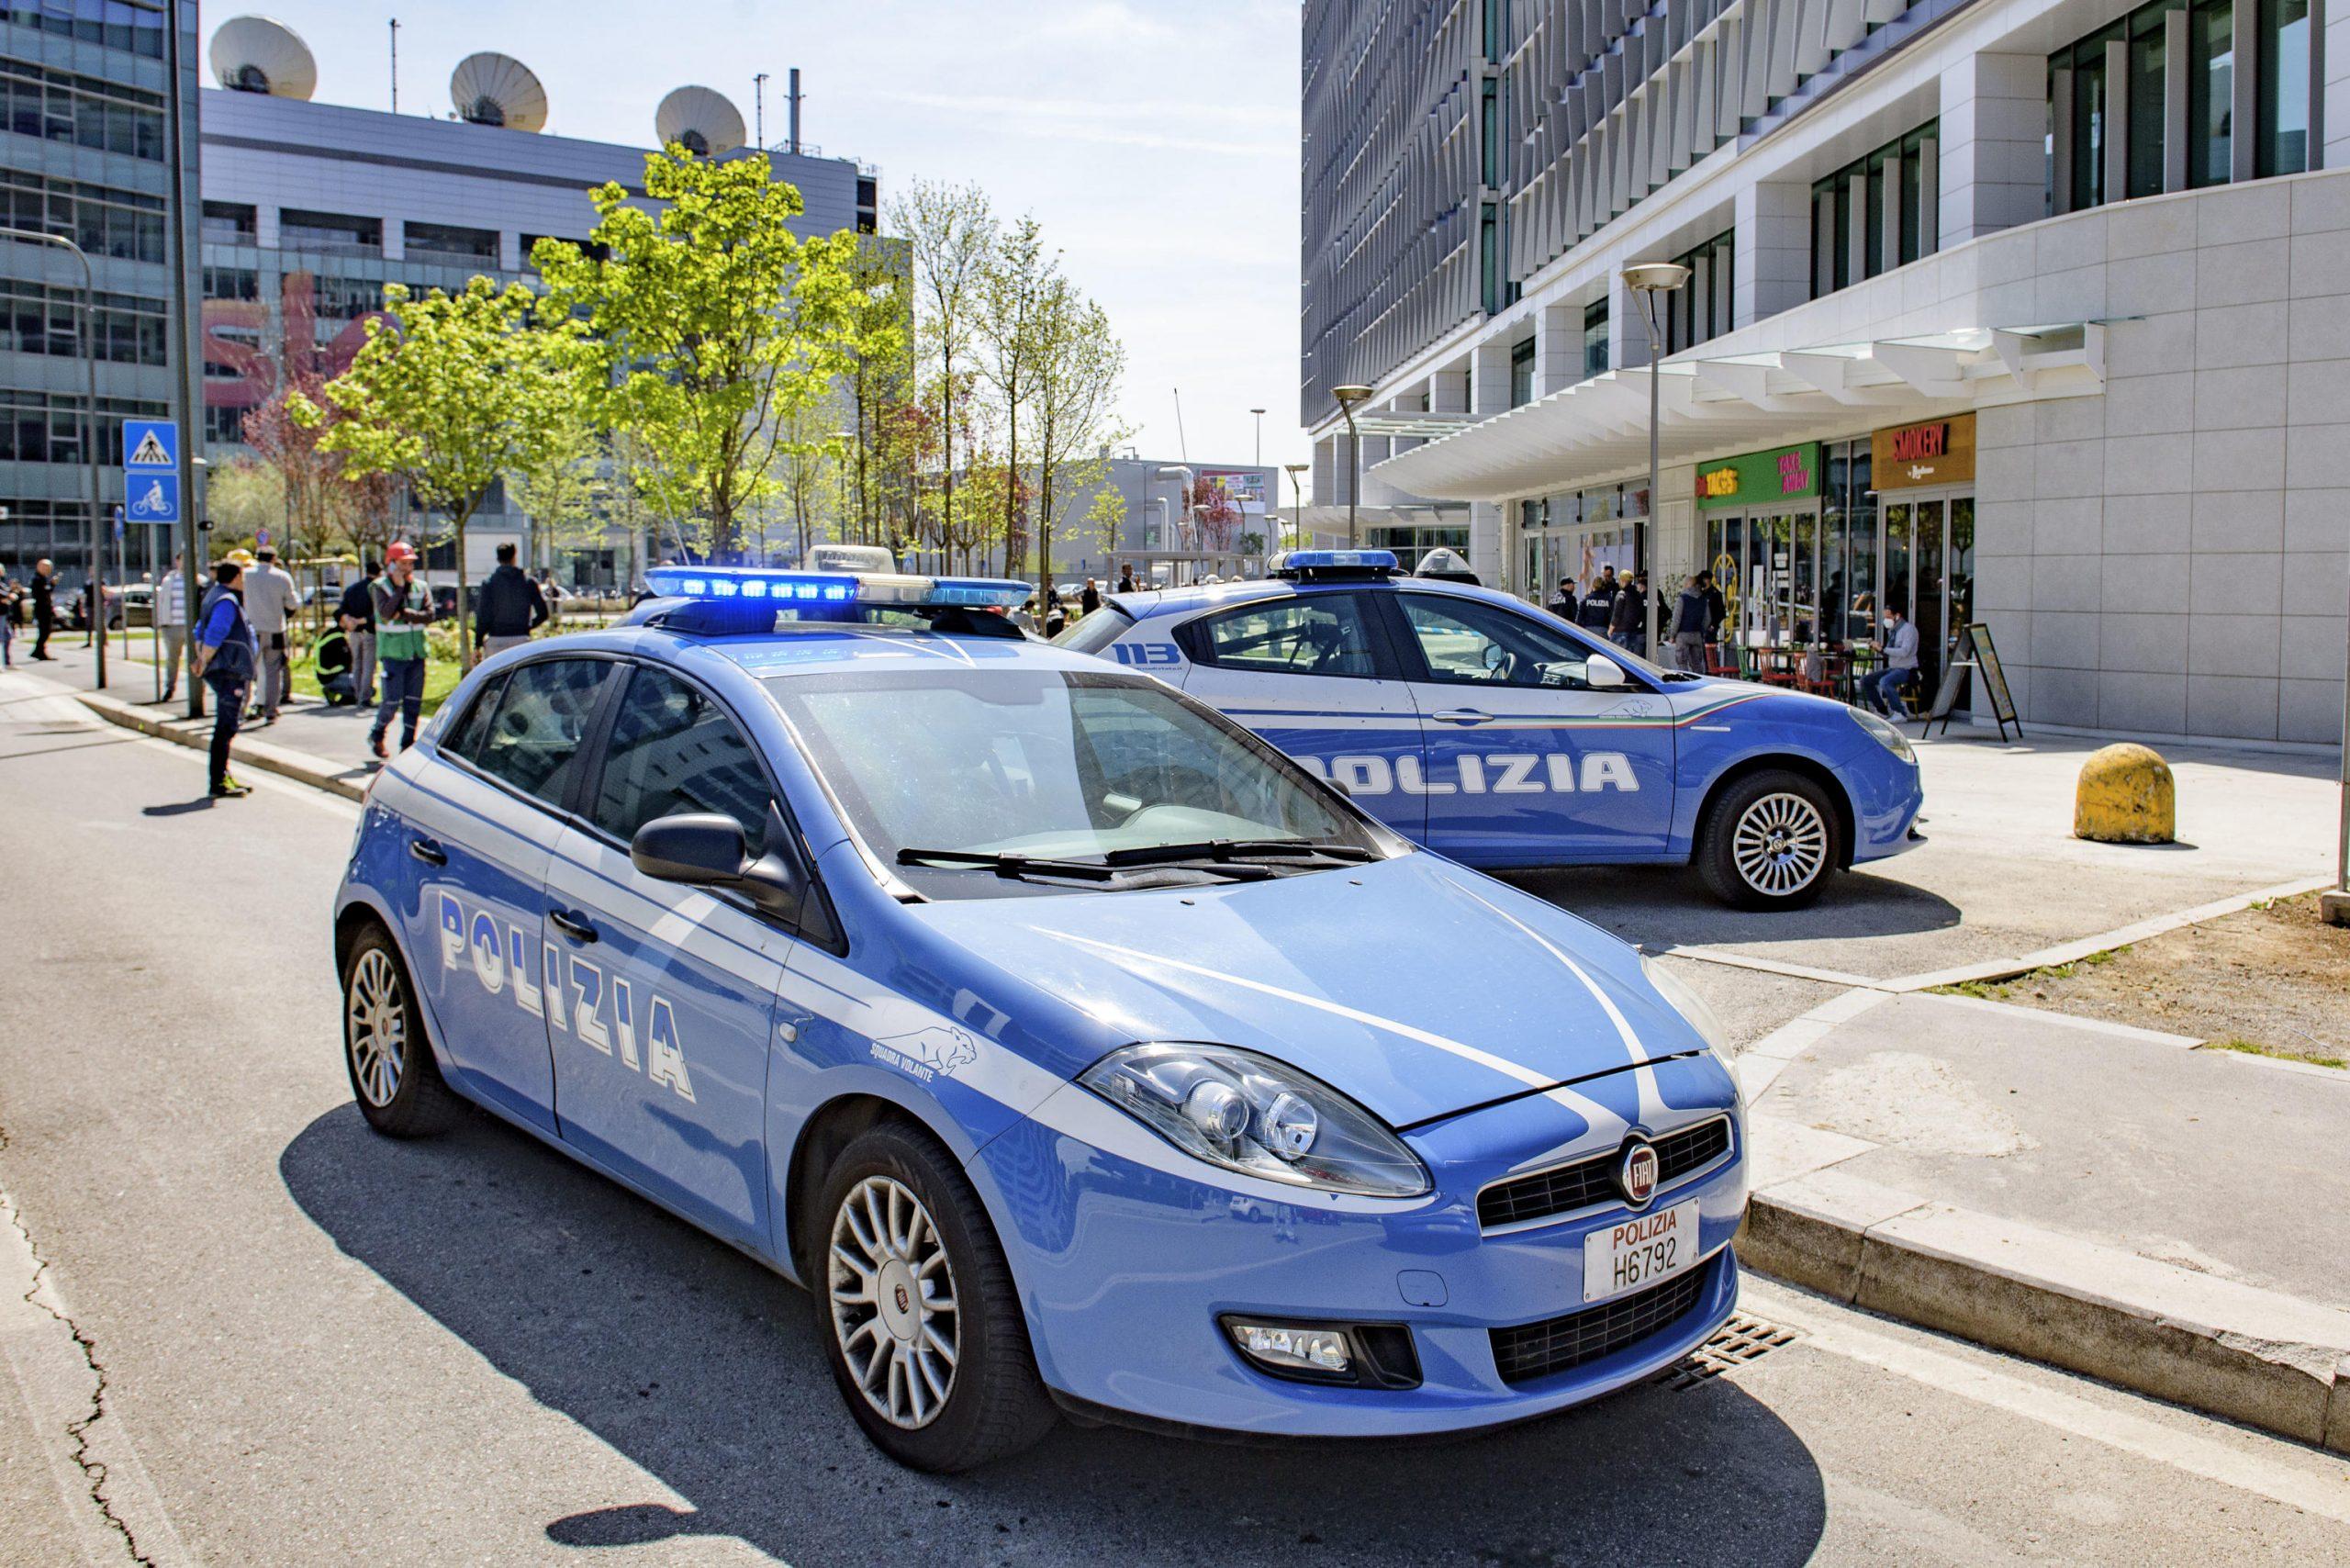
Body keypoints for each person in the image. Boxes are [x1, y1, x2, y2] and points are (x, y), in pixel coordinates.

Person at [191, 559, 258, 798]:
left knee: (226, 724)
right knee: (226, 726)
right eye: (243, 576)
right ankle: (218, 781)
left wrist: (202, 658)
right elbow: (214, 632)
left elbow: (199, 630)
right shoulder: (227, 601)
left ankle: (223, 776)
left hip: (224, 668)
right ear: (236, 577)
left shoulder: (214, 595)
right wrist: (205, 659)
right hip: (230, 669)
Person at [369, 542, 433, 759]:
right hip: (393, 654)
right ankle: (377, 733)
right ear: (392, 564)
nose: (408, 567)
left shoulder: (421, 586)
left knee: (413, 702)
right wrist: (398, 590)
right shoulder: (380, 587)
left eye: (410, 563)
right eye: (403, 563)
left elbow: (430, 615)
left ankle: (407, 745)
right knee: (391, 701)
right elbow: (387, 613)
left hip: (416, 653)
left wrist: (403, 613)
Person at [242, 546, 299, 724]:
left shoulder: (246, 575)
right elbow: (292, 603)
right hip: (275, 629)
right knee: (274, 670)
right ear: (274, 558)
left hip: (252, 629)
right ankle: (271, 710)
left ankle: (242, 707)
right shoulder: (282, 577)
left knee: (247, 669)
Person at [474, 542, 548, 659]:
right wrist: (527, 627)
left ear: (498, 559)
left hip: (496, 638)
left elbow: (483, 615)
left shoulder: (489, 583)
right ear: (514, 557)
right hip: (521, 639)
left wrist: (478, 643)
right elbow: (543, 613)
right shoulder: (528, 582)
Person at [337, 558, 378, 708]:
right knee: (368, 665)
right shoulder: (374, 589)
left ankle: (356, 693)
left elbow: (341, 610)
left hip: (353, 632)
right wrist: (364, 620)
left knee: (356, 664)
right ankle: (364, 697)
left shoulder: (352, 589)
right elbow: (379, 613)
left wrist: (350, 621)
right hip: (369, 631)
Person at [1867, 605, 1920, 717]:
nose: (1886, 620)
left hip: (1906, 669)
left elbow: (1904, 651)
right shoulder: (1892, 631)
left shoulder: (1908, 630)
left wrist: (1883, 649)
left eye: (1888, 616)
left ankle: (1900, 713)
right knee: (1866, 680)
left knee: (1885, 681)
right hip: (1893, 668)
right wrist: (1879, 648)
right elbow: (1889, 652)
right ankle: (1881, 710)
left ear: (1897, 616)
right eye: (1885, 617)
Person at [155, 552, 190, 700]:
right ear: (177, 561)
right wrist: (161, 623)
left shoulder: (198, 580)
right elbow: (161, 602)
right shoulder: (169, 581)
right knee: (172, 659)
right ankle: (170, 687)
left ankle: (197, 691)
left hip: (191, 627)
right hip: (172, 626)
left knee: (195, 659)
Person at [1672, 573, 1710, 672]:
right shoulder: (1703, 599)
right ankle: (1699, 683)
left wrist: (1672, 634)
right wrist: (1701, 630)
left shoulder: (1683, 598)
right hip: (1697, 634)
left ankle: (1684, 683)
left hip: (1683, 634)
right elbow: (1707, 619)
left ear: (1688, 585)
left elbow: (1676, 618)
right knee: (1697, 663)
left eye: (1685, 584)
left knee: (1682, 662)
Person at [312, 623, 357, 705]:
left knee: (359, 687)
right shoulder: (338, 638)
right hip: (332, 677)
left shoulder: (329, 634)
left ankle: (347, 696)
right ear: (342, 619)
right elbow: (348, 660)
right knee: (365, 688)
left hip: (324, 676)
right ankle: (332, 690)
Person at [1608, 569, 1646, 655]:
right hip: (1633, 632)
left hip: (1620, 632)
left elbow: (1617, 614)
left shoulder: (1621, 594)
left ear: (1623, 581)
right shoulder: (1638, 596)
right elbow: (1641, 613)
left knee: (1612, 656)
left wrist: (1610, 630)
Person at [1577, 566, 1617, 633]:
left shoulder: (1586, 600)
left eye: (1608, 576)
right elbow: (1612, 615)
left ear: (1593, 586)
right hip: (1603, 629)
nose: (1606, 578)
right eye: (1605, 576)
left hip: (1588, 629)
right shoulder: (1609, 599)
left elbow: (1579, 618)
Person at [28, 558, 54, 660]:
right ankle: (38, 651)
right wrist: (52, 585)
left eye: (48, 568)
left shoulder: (42, 578)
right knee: (44, 631)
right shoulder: (37, 579)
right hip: (42, 609)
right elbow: (43, 593)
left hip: (45, 608)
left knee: (45, 631)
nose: (47, 569)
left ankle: (38, 651)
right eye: (45, 567)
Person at [0, 567, 16, 667]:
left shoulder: (2, 582)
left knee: (8, 636)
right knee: (1, 637)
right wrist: (9, 595)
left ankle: (7, 662)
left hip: (4, 613)